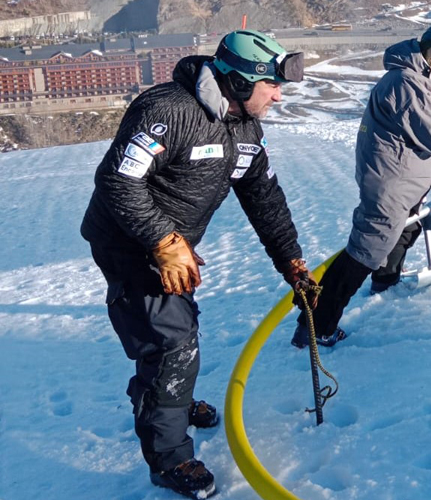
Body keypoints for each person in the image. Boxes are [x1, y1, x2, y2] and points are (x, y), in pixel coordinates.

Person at [81, 30, 318, 499]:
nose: (278, 94)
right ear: (238, 81)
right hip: (128, 243)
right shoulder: (167, 111)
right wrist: (163, 241)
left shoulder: (245, 130)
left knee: (178, 328)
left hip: (174, 247)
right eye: (271, 85)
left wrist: (291, 261)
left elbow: (264, 197)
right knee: (170, 346)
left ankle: (174, 397)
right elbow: (117, 181)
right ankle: (170, 459)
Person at [292, 26, 431, 349]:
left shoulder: (419, 76)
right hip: (389, 183)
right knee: (360, 256)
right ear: (424, 48)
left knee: (404, 230)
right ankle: (316, 327)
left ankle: (385, 281)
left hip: (400, 181)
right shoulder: (406, 82)